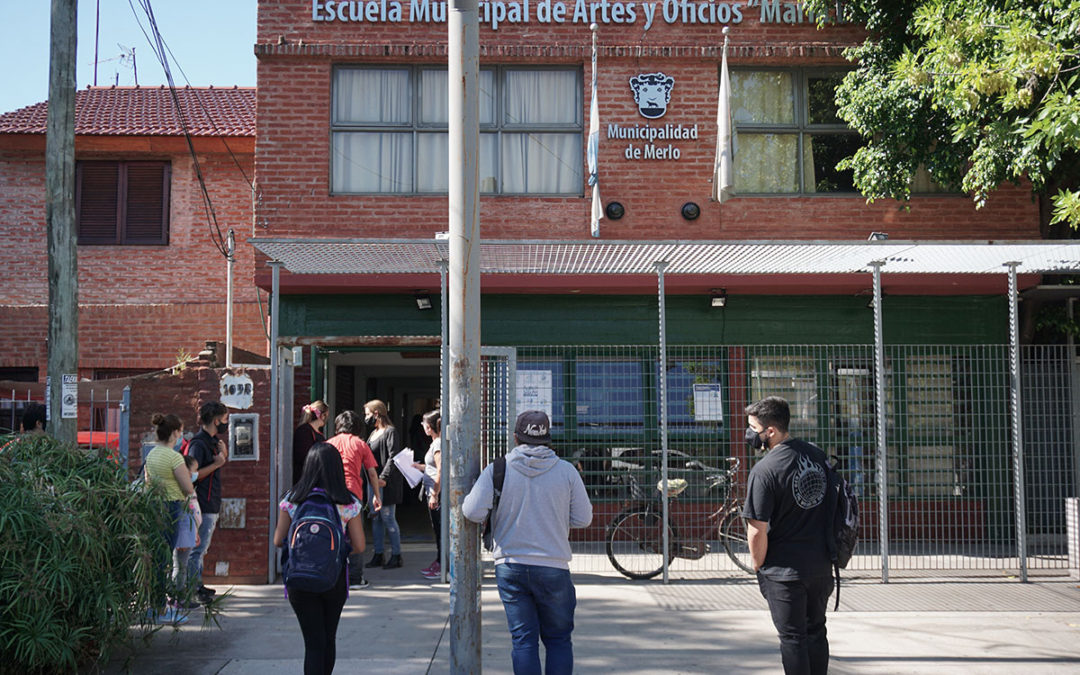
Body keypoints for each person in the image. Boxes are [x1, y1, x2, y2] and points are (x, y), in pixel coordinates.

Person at [463, 410, 593, 675]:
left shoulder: (498, 468)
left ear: (515, 437)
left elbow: (472, 511)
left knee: (523, 640)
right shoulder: (566, 471)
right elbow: (583, 518)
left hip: (510, 564)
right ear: (547, 438)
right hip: (554, 565)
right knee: (558, 640)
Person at [743, 396, 834, 675]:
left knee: (793, 638)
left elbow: (757, 529)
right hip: (820, 566)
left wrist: (758, 565)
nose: (749, 434)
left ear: (770, 431)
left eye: (753, 428)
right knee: (816, 631)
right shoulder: (818, 457)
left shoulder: (764, 470)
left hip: (784, 572)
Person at [274, 442, 366, 675]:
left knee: (312, 643)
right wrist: (335, 553)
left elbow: (278, 540)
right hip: (333, 578)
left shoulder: (291, 499)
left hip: (299, 578)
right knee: (328, 638)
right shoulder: (348, 502)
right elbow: (359, 546)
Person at [142, 412, 196, 624]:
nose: (181, 435)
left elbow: (148, 482)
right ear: (174, 433)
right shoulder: (174, 457)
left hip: (153, 506)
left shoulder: (152, 454)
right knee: (165, 558)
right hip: (171, 506)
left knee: (156, 558)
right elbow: (188, 487)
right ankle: (160, 608)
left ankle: (153, 605)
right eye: (180, 431)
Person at [325, 409, 382, 589]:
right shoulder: (360, 444)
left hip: (331, 494)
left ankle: (331, 573)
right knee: (355, 536)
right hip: (352, 494)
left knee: (332, 533)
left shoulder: (328, 444)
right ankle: (355, 577)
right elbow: (372, 473)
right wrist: (376, 496)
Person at [185, 401, 228, 604]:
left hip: (211, 501)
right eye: (225, 419)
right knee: (197, 548)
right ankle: (192, 588)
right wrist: (217, 464)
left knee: (202, 547)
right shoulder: (198, 444)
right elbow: (191, 475)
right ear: (216, 420)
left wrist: (222, 455)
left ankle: (198, 583)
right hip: (202, 501)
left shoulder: (213, 442)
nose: (226, 423)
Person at [363, 399, 404, 569]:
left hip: (385, 482)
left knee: (388, 517)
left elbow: (393, 456)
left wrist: (384, 477)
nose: (366, 418)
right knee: (376, 518)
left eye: (367, 414)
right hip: (372, 482)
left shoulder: (390, 432)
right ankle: (378, 553)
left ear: (376, 413)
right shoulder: (373, 433)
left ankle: (396, 555)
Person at [413, 409, 442, 580]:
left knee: (439, 529)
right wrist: (419, 467)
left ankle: (441, 564)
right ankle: (439, 561)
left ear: (429, 427)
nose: (423, 426)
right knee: (437, 529)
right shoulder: (435, 443)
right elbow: (432, 467)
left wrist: (434, 494)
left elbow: (440, 470)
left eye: (424, 423)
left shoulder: (437, 444)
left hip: (435, 493)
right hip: (432, 490)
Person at [293, 400, 329, 482]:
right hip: (305, 478)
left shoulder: (319, 434)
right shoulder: (304, 431)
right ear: (323, 416)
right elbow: (302, 456)